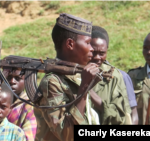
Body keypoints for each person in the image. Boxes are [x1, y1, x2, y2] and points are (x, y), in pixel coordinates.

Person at [34, 13, 100, 141]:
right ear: (70, 44)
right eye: (88, 43)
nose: (92, 49)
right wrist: (84, 88)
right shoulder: (52, 82)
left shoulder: (77, 76)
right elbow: (67, 135)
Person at [89, 25, 135, 124]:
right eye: (93, 52)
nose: (97, 57)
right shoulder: (72, 74)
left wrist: (88, 91)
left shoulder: (116, 77)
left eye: (101, 53)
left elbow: (125, 117)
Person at [2, 66, 37, 141]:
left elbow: (29, 137)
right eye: (8, 77)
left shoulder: (28, 106)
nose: (12, 81)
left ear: (26, 82)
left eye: (17, 78)